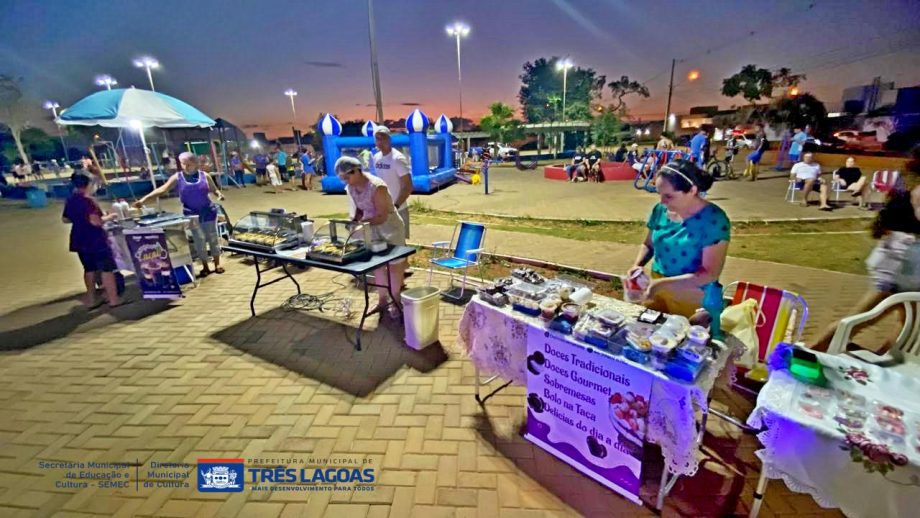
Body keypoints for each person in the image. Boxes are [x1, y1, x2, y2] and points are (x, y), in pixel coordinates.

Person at [812, 147, 920, 351]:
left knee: (907, 322)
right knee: (860, 319)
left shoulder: (910, 182)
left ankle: (885, 361)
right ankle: (807, 352)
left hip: (902, 260)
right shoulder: (917, 188)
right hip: (902, 264)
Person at [628, 159, 730, 317]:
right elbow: (649, 244)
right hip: (658, 286)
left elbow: (709, 273)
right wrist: (637, 265)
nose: (662, 201)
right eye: (659, 194)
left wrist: (660, 285)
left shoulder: (714, 220)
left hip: (691, 294)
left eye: (669, 196)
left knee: (686, 335)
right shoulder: (660, 210)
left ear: (692, 190)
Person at [336, 156, 407, 319]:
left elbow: (381, 216)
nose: (346, 181)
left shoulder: (377, 186)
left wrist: (362, 223)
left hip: (390, 228)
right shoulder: (351, 187)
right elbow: (360, 210)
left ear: (357, 171)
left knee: (394, 266)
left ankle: (396, 302)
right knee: (378, 266)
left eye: (347, 177)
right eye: (343, 179)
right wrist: (354, 220)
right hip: (371, 228)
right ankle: (382, 300)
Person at [134, 152, 226, 277]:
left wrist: (219, 194)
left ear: (195, 163)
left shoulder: (205, 176)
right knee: (199, 240)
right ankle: (205, 265)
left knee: (212, 237)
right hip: (191, 213)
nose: (186, 167)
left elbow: (214, 189)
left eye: (189, 164)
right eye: (183, 164)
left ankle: (217, 264)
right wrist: (144, 200)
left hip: (208, 211)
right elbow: (162, 189)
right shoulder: (178, 177)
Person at [63, 173, 121, 308]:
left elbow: (65, 219)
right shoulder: (88, 200)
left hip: (79, 238)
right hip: (94, 239)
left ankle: (91, 300)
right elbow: (96, 222)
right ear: (88, 184)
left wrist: (79, 219)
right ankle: (114, 300)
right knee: (107, 268)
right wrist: (110, 216)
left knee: (89, 269)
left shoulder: (70, 199)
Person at [372, 126, 413, 239]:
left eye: (383, 138)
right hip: (382, 210)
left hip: (398, 209)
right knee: (383, 244)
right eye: (378, 138)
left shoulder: (397, 158)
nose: (380, 141)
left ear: (389, 139)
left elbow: (408, 186)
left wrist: (395, 206)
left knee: (400, 247)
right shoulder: (376, 158)